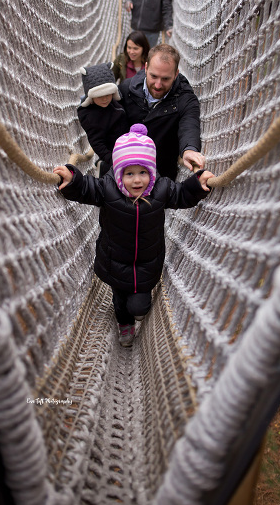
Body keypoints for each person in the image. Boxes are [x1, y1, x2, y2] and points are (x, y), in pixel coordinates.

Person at [53, 124, 215, 347]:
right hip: (115, 261)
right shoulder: (107, 189)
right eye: (129, 173)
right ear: (119, 173)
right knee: (120, 303)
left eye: (143, 172)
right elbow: (86, 188)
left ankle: (137, 311)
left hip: (148, 263)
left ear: (152, 171)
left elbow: (182, 194)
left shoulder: (162, 189)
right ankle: (124, 324)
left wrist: (198, 184)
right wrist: (72, 179)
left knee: (139, 305)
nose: (137, 180)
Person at [117, 44, 206, 180]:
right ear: (146, 68)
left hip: (161, 176)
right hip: (124, 171)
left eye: (165, 79)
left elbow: (189, 125)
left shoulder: (185, 99)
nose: (158, 85)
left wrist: (189, 149)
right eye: (154, 76)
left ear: (176, 74)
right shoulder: (126, 90)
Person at [76, 62, 128, 177]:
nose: (105, 99)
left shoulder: (116, 104)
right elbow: (97, 142)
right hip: (111, 153)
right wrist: (111, 159)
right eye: (100, 96)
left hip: (126, 144)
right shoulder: (90, 115)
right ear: (91, 97)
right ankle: (103, 166)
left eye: (108, 94)